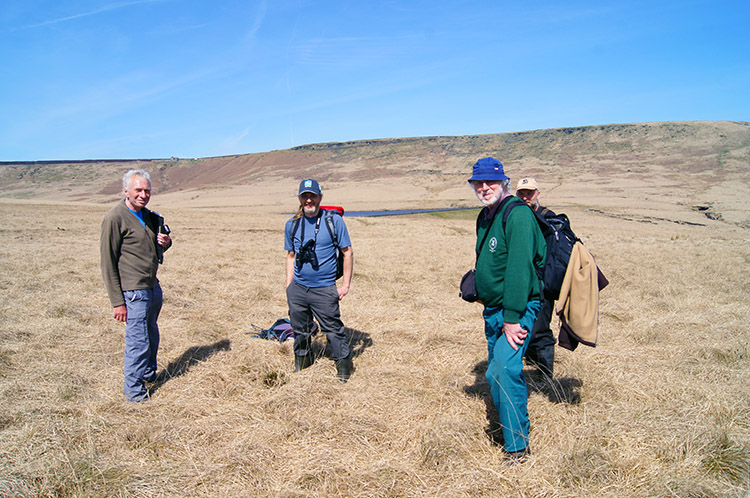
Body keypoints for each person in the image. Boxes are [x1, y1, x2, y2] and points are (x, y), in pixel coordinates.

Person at [468, 158, 546, 462]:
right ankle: (508, 426)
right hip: (494, 309)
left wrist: (513, 318)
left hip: (518, 308)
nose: (484, 187)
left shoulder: (519, 216)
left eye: (490, 182)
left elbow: (519, 269)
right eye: (478, 182)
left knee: (503, 368)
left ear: (504, 183)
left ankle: (518, 447)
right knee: (495, 370)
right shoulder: (486, 215)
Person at [101, 169, 172, 402]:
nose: (143, 195)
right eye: (138, 190)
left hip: (152, 287)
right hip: (134, 293)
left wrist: (166, 242)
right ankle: (135, 393)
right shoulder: (115, 218)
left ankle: (149, 375)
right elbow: (108, 263)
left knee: (151, 335)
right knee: (138, 342)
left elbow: (153, 250)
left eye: (147, 191)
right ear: (126, 191)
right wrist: (117, 302)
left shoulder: (149, 217)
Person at [284, 179, 354, 382]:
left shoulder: (334, 221)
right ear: (299, 198)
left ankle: (344, 370)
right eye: (304, 196)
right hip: (298, 289)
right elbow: (291, 256)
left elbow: (347, 252)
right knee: (300, 331)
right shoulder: (292, 224)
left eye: (312, 195)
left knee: (333, 330)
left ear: (320, 198)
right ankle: (303, 367)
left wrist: (345, 285)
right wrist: (289, 287)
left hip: (324, 288)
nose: (308, 200)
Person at [515, 177, 557, 377]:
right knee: (523, 320)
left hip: (543, 281)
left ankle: (545, 374)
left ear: (538, 194)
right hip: (521, 281)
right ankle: (531, 360)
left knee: (540, 327)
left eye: (529, 193)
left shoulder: (548, 217)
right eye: (521, 193)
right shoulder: (516, 216)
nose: (525, 197)